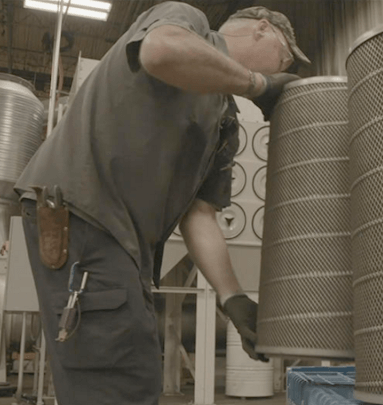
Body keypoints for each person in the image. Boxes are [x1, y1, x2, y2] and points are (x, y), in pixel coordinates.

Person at [14, 2, 310, 404]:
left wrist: (232, 297)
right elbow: (160, 51)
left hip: (127, 244)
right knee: (116, 378)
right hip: (86, 215)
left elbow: (199, 213)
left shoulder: (224, 119)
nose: (280, 70)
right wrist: (259, 84)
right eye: (284, 57)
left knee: (135, 371)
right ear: (261, 29)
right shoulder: (187, 21)